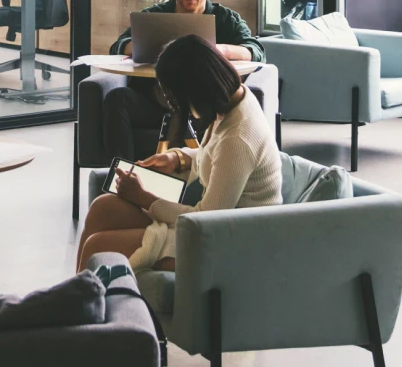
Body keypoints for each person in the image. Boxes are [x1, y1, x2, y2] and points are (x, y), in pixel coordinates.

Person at [77, 34, 282, 273]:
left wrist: (144, 197)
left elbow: (206, 217)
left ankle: (79, 304)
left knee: (97, 246)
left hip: (231, 242)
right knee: (103, 208)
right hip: (215, 224)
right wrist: (178, 158)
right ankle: (76, 302)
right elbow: (216, 156)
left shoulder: (239, 137)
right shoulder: (235, 100)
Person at [104, 0, 265, 160]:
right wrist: (143, 45)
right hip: (157, 105)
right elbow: (118, 46)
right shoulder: (154, 16)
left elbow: (256, 51)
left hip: (206, 108)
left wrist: (217, 50)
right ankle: (121, 179)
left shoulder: (226, 19)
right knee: (117, 98)